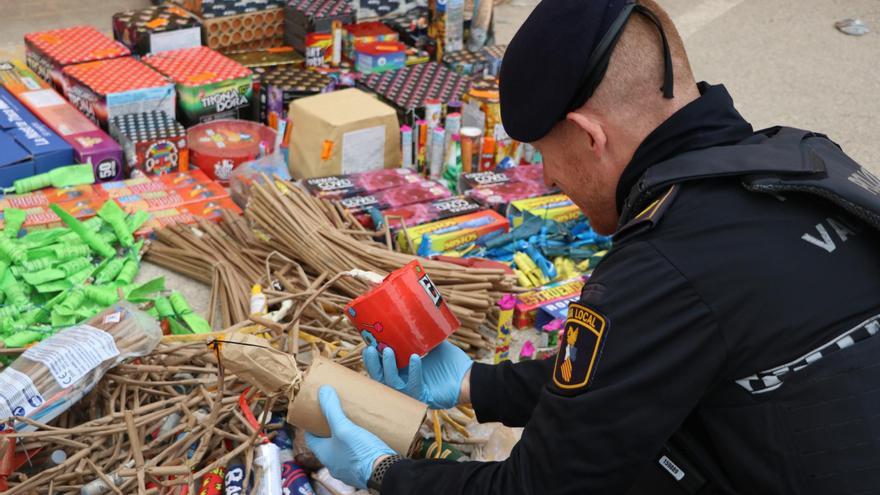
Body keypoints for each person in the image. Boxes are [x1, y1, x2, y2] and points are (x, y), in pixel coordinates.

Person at [304, 0, 880, 493]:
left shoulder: (661, 265)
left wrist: (381, 471)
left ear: (589, 135)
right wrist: (476, 385)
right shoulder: (804, 161)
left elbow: (535, 487)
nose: (551, 182)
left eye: (546, 157)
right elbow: (646, 359)